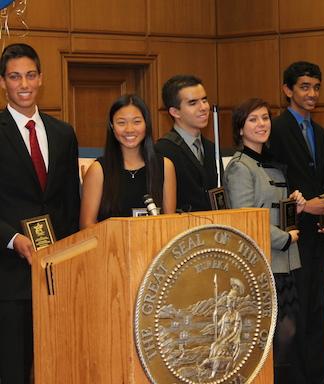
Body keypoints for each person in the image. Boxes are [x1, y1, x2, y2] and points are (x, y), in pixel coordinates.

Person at [0, 43, 80, 383]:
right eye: (15, 77)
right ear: (3, 82)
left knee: (58, 366)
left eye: (30, 75)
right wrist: (12, 238)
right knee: (13, 370)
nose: (24, 84)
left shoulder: (63, 133)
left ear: (41, 78)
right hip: (9, 275)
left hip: (56, 274)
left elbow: (70, 202)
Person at [269, 61, 324, 384]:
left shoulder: (321, 131)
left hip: (318, 235)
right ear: (287, 90)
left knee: (316, 312)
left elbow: (321, 183)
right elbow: (273, 184)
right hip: (291, 235)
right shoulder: (275, 128)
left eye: (316, 87)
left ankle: (317, 377)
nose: (312, 93)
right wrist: (302, 208)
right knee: (295, 315)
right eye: (304, 87)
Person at [223, 98, 306, 383]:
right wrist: (284, 238)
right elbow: (246, 218)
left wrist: (296, 204)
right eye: (253, 120)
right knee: (272, 334)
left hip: (283, 261)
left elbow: (274, 209)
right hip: (262, 262)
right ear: (240, 129)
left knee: (287, 331)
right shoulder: (240, 167)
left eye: (265, 118)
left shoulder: (270, 164)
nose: (262, 124)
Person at [80, 94, 176, 227]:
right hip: (111, 246)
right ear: (112, 127)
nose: (129, 129)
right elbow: (87, 225)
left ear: (146, 124)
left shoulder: (165, 166)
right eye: (121, 123)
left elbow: (169, 223)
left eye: (136, 122)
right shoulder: (98, 170)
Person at [155, 75, 220, 212]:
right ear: (175, 112)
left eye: (204, 100)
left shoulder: (212, 148)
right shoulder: (163, 150)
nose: (203, 108)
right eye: (193, 103)